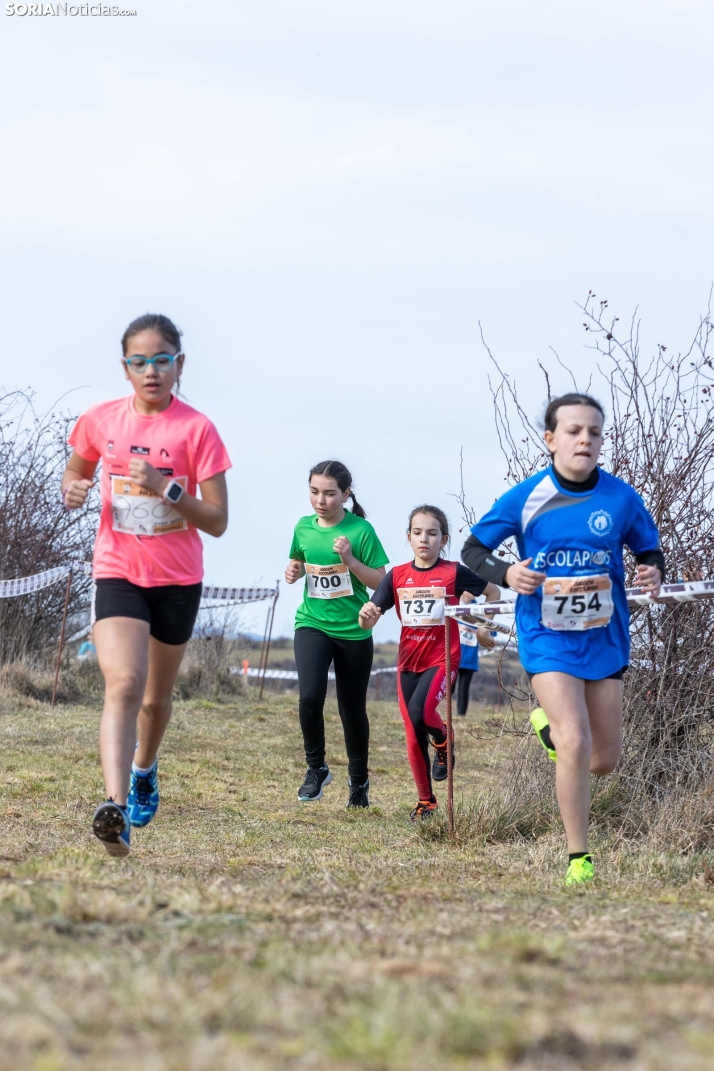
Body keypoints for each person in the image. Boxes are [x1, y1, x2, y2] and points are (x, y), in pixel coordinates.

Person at [462, 393, 664, 885]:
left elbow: (650, 550)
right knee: (575, 740)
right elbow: (472, 550)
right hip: (545, 635)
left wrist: (651, 572)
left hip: (605, 638)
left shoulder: (620, 498)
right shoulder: (525, 497)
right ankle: (579, 859)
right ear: (551, 439)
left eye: (594, 432)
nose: (585, 440)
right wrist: (507, 573)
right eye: (574, 431)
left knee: (603, 760)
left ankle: (547, 730)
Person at [61, 313, 231, 857]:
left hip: (177, 579)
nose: (151, 370)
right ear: (125, 368)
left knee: (155, 703)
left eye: (162, 359)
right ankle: (113, 809)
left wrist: (167, 489)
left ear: (179, 364)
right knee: (124, 685)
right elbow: (77, 467)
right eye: (140, 361)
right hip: (117, 570)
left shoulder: (196, 430)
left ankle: (144, 771)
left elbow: (219, 520)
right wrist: (73, 487)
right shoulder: (101, 419)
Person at [359, 506, 499, 820]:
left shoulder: (454, 572)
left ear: (443, 539)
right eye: (418, 532)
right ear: (408, 538)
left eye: (432, 533)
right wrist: (365, 616)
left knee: (421, 712)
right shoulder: (396, 576)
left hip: (443, 658)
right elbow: (369, 618)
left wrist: (485, 626)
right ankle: (426, 802)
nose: (425, 539)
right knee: (411, 732)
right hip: (408, 662)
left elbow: (493, 591)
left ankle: (443, 738)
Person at [285, 460, 389, 808]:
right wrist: (294, 570)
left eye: (330, 493)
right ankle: (316, 768)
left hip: (353, 631)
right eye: (315, 491)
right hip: (312, 622)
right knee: (310, 696)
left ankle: (358, 784)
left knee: (351, 710)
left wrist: (350, 561)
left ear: (345, 494)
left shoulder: (361, 532)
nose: (321, 500)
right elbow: (301, 563)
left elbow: (382, 583)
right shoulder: (303, 527)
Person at [454, 593, 497, 716]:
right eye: (471, 588)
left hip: (470, 658)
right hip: (453, 656)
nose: (475, 591)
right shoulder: (454, 603)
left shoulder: (479, 608)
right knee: (448, 687)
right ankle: (442, 713)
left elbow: (492, 632)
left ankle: (461, 715)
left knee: (463, 688)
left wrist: (485, 631)